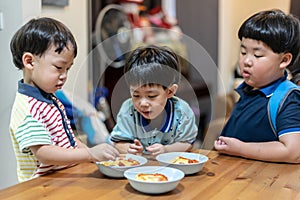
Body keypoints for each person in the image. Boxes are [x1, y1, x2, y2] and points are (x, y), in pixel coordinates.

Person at [9, 17, 119, 182]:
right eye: (59, 68)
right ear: (30, 62)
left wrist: (91, 154)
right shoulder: (28, 108)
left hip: (63, 178)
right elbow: (44, 153)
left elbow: (68, 139)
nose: (64, 76)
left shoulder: (49, 98)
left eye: (68, 69)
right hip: (41, 187)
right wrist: (88, 153)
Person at [214, 9, 300, 163]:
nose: (246, 61)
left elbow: (294, 151)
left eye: (257, 55)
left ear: (284, 60)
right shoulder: (249, 89)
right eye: (243, 52)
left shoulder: (288, 97)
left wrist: (240, 148)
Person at [110, 45, 198, 156]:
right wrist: (129, 149)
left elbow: (187, 143)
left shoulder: (182, 112)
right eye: (136, 95)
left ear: (170, 91)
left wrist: (167, 150)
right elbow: (118, 142)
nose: (143, 103)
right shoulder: (128, 110)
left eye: (151, 96)